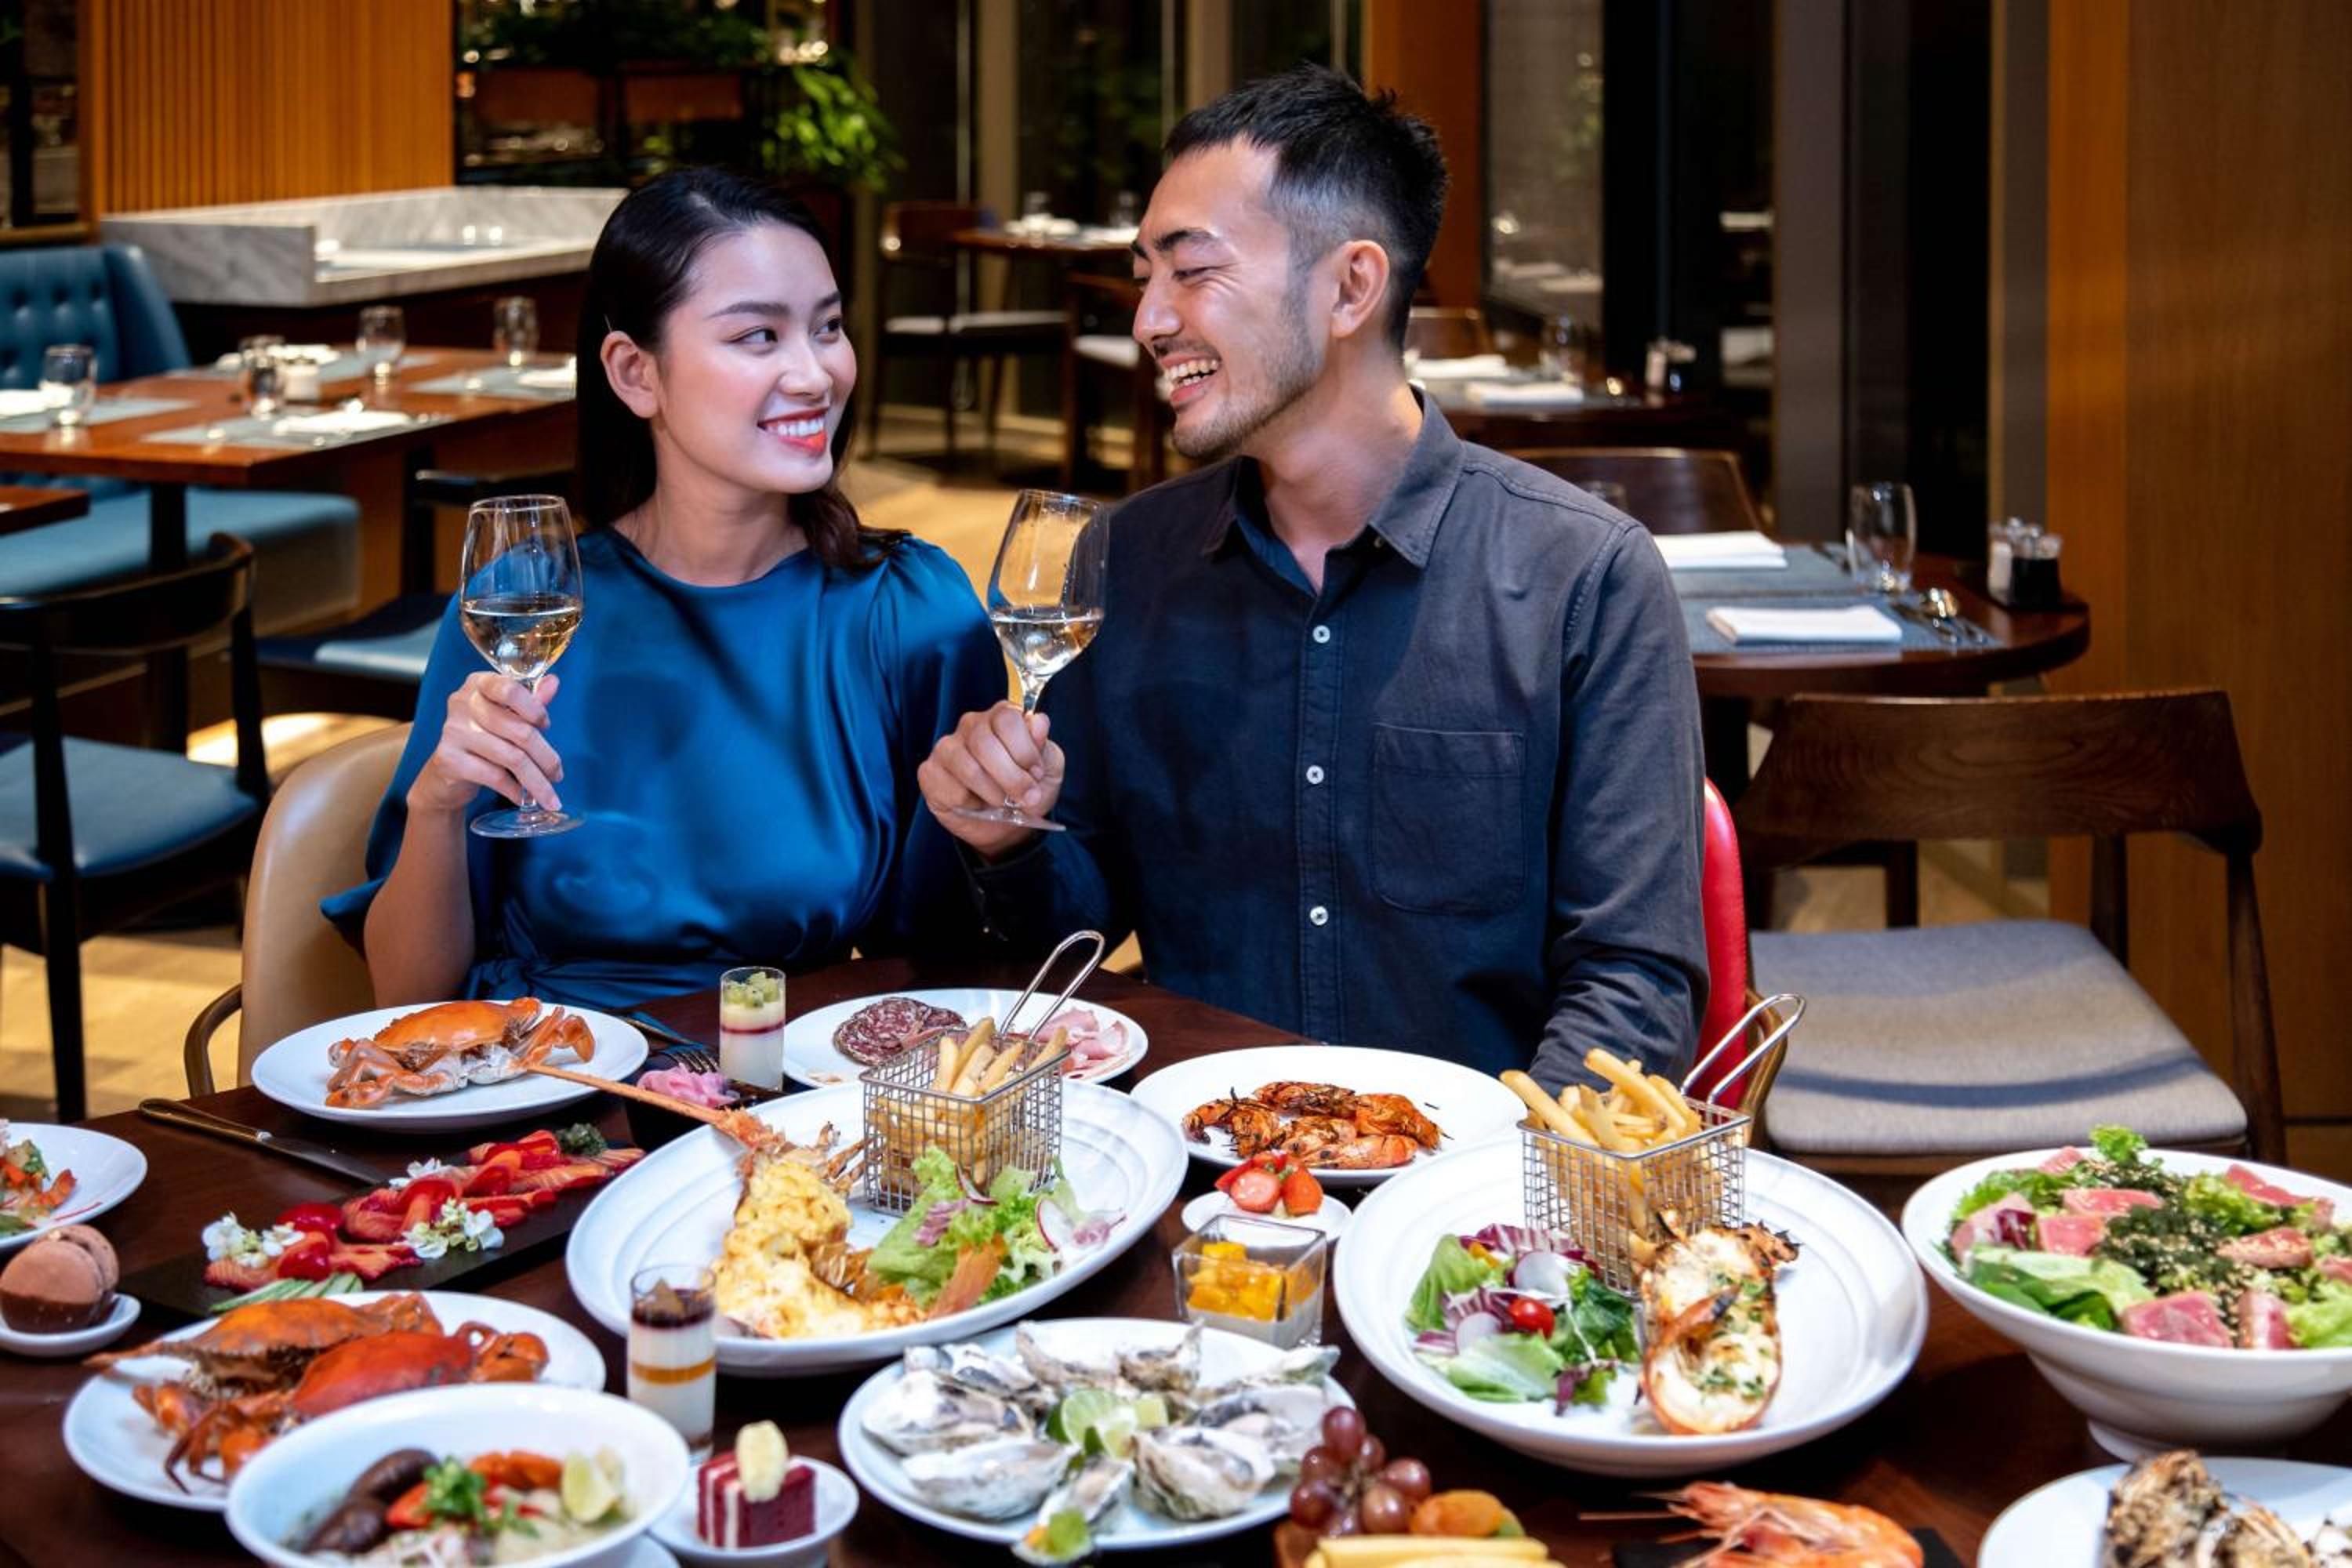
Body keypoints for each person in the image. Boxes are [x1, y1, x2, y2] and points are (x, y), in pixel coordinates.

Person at [917, 67, 1707, 1087]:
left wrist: (1502, 1181)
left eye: (1192, 270)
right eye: (1145, 276)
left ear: (1350, 287)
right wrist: (1007, 843)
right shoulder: (1130, 558)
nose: (1149, 319)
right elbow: (1076, 934)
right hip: (1200, 1151)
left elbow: (1633, 982)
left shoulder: (1584, 577)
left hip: (1474, 1168)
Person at [328, 168, 1003, 1008]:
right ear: (634, 373)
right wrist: (437, 802)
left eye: (827, 327)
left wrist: (1002, 837)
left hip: (780, 1072)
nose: (814, 374)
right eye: (758, 336)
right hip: (544, 1071)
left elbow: (947, 964)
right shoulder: (524, 605)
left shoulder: (910, 611)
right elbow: (407, 994)